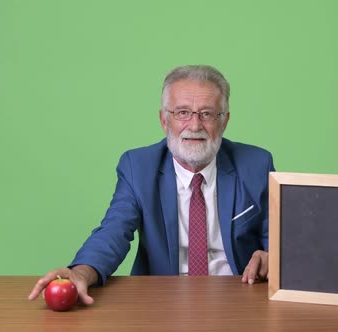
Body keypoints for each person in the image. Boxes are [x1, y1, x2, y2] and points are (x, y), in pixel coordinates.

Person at [28, 65, 275, 305]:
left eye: (207, 113)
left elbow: (276, 242)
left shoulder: (256, 164)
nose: (195, 125)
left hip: (241, 297)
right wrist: (81, 273)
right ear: (164, 120)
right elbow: (114, 231)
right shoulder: (138, 167)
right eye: (182, 113)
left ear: (224, 121)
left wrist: (272, 259)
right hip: (161, 300)